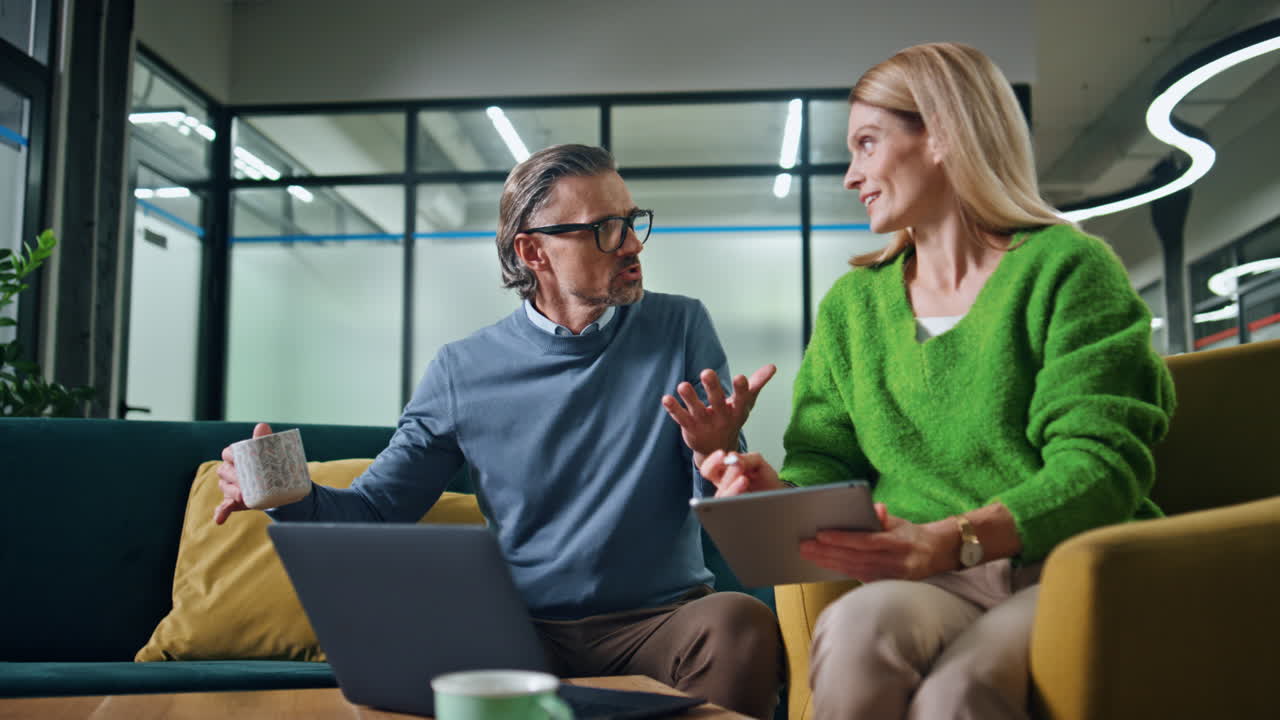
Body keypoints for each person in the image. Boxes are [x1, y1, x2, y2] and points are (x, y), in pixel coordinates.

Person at [672, 43, 1176, 720]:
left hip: (1060, 565)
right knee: (852, 633)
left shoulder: (1069, 269)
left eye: (867, 144)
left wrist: (951, 538)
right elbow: (829, 464)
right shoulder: (854, 306)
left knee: (956, 696)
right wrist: (774, 492)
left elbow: (1101, 466)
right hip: (928, 577)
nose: (852, 176)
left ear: (941, 134)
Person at [213, 144, 783, 719]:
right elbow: (378, 510)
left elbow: (722, 506)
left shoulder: (680, 326)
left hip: (662, 621)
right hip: (518, 631)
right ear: (533, 250)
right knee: (428, 641)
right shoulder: (462, 370)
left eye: (632, 222)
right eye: (606, 230)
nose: (632, 244)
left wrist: (716, 452)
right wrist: (287, 495)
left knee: (738, 622)